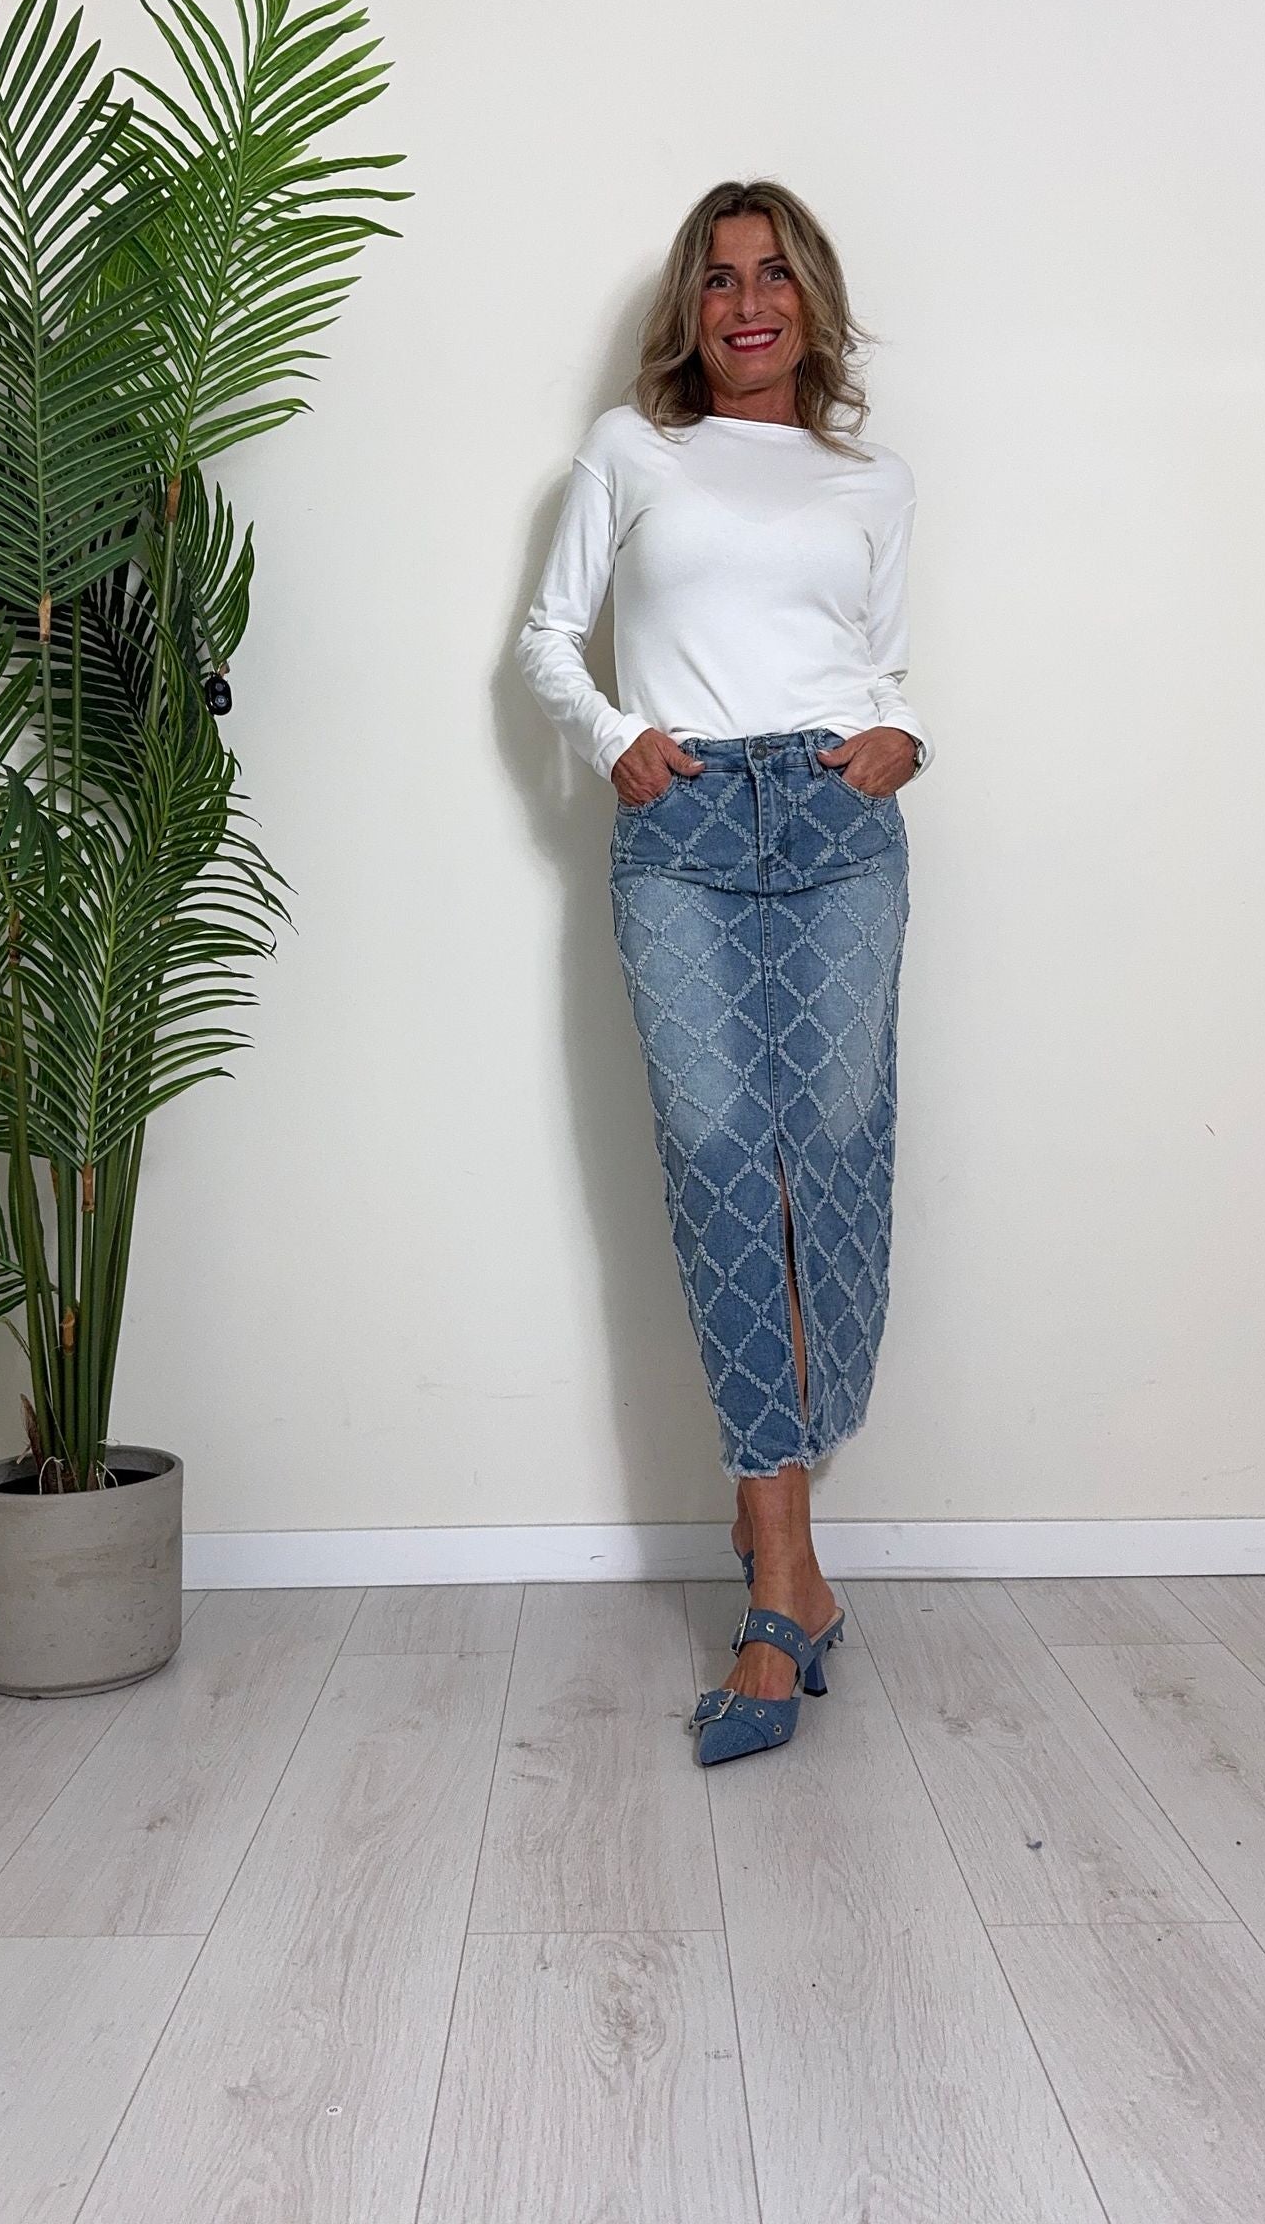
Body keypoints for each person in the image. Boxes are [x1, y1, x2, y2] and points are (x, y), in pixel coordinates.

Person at [514, 178, 934, 1767]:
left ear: (812, 300)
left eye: (772, 276)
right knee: (716, 1172)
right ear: (688, 310)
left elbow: (878, 659)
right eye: (717, 279)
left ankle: (784, 1566)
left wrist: (902, 737)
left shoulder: (874, 479)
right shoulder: (633, 450)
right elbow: (548, 637)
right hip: (684, 831)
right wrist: (617, 739)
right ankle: (782, 1583)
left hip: (837, 822)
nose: (747, 304)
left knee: (828, 1168)